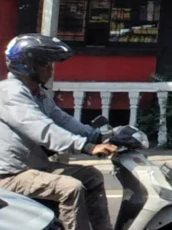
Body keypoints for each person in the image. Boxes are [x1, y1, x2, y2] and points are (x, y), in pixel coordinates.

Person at [0, 34, 118, 230]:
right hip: (9, 175)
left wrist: (98, 136)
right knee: (70, 188)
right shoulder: (10, 93)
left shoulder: (37, 93)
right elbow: (42, 129)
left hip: (32, 168)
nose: (51, 68)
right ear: (27, 65)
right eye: (45, 63)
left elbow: (63, 120)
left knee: (92, 176)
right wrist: (87, 147)